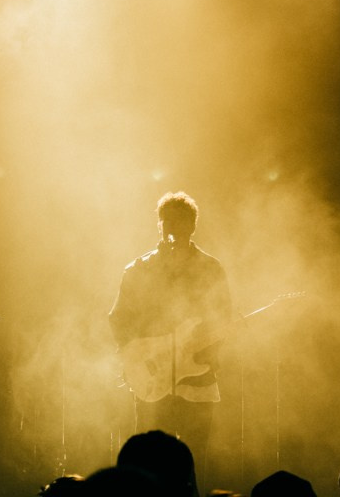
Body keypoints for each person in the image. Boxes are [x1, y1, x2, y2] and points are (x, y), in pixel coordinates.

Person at [108, 191, 234, 479]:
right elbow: (119, 318)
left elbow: (224, 317)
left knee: (193, 466)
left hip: (197, 381)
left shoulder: (210, 268)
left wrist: (210, 346)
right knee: (149, 469)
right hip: (152, 382)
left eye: (179, 221)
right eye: (166, 221)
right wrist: (133, 357)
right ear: (159, 225)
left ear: (192, 226)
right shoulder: (140, 269)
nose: (171, 227)